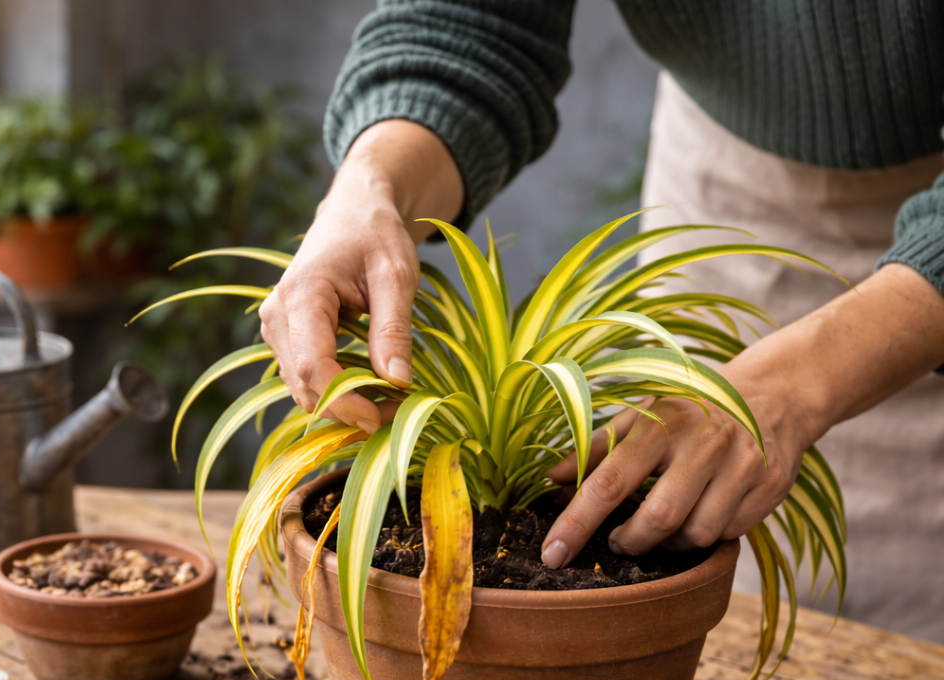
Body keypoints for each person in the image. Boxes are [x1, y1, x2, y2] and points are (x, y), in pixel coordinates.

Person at [259, 2, 944, 642]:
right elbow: (474, 19)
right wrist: (371, 186)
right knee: (692, 531)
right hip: (735, 180)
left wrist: (793, 385)